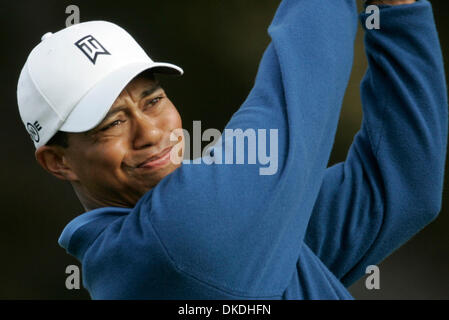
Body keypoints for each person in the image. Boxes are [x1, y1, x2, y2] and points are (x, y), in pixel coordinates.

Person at [16, 0, 447, 299]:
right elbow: (296, 89)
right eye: (112, 123)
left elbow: (401, 186)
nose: (149, 131)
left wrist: (395, 13)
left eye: (153, 100)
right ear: (58, 161)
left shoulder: (225, 240)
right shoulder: (177, 243)